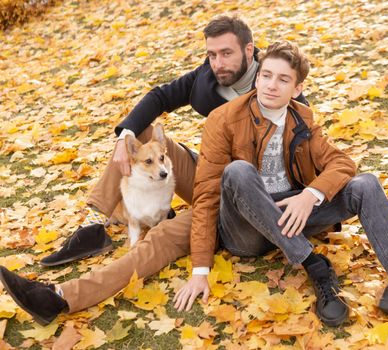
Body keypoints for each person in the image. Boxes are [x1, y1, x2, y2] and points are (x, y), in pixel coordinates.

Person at [0, 15, 305, 326]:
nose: (217, 63)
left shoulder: (279, 87)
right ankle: (95, 224)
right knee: (138, 133)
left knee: (160, 238)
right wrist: (125, 136)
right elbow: (160, 95)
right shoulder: (211, 74)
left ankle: (59, 297)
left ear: (250, 50)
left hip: (236, 204)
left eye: (226, 53)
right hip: (208, 171)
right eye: (211, 55)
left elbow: (301, 166)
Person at [172, 41, 388, 328]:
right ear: (258, 77)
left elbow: (342, 163)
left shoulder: (302, 119)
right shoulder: (223, 119)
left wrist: (309, 196)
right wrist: (200, 270)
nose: (271, 85)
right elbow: (208, 194)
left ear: (297, 89)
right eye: (266, 75)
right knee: (238, 171)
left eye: (283, 79)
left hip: (291, 215)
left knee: (365, 184)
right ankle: (316, 267)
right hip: (246, 232)